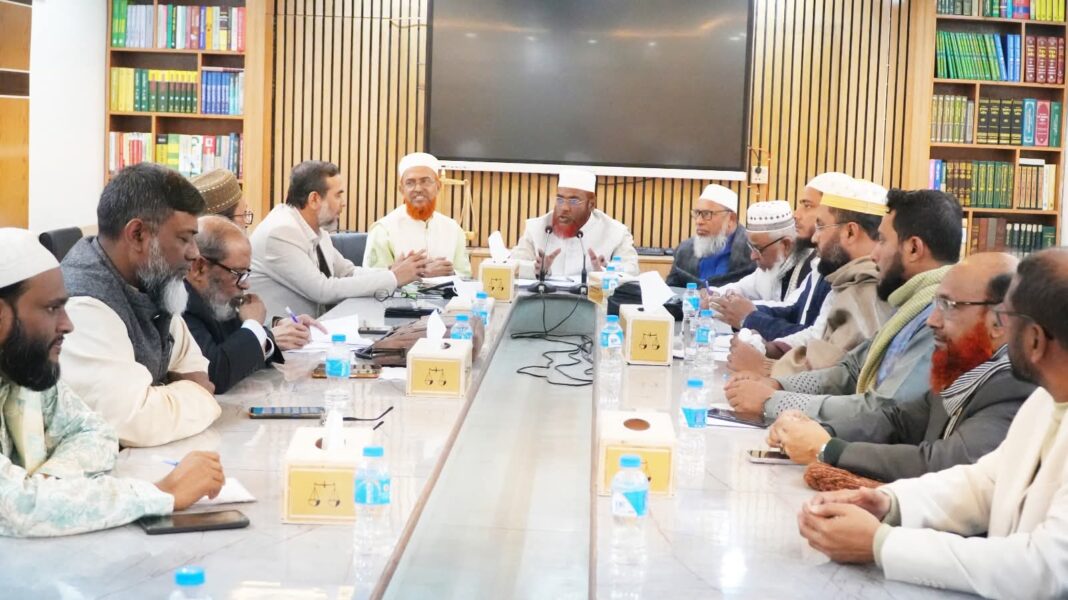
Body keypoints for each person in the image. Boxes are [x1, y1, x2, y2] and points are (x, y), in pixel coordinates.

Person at [796, 248, 1068, 599]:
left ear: (1034, 340)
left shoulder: (1025, 392)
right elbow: (984, 483)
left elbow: (1043, 567)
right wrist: (888, 503)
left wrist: (883, 544)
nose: (1000, 327)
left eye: (1006, 317)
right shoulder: (1044, 401)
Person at [0, 228, 225, 537]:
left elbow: (96, 432)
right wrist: (161, 493)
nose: (67, 324)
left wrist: (52, 483)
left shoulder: (22, 369)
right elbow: (16, 508)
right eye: (52, 309)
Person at [769, 253, 1032, 483]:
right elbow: (896, 421)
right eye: (936, 305)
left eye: (948, 306)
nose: (932, 321)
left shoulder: (1015, 385)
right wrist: (817, 431)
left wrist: (829, 448)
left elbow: (943, 464)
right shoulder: (968, 369)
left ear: (1000, 322)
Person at [725, 188, 963, 424]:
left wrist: (773, 399)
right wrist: (777, 384)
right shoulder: (909, 306)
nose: (874, 254)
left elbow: (885, 411)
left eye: (882, 240)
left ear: (913, 248)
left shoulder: (937, 320)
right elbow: (849, 370)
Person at [59, 163, 221, 448]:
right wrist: (196, 396)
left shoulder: (153, 281)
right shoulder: (82, 306)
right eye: (184, 238)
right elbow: (134, 421)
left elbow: (197, 370)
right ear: (137, 235)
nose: (194, 254)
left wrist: (166, 396)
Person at [727, 180, 892, 376]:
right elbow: (817, 339)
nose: (815, 238)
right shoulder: (846, 279)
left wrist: (765, 366)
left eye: (821, 226)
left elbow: (832, 377)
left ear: (850, 232)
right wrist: (770, 348)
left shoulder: (867, 290)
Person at [248, 160, 425, 318]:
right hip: (281, 339)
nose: (343, 203)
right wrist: (393, 278)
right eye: (338, 195)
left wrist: (391, 271)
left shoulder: (315, 228)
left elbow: (348, 272)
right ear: (314, 199)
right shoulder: (280, 232)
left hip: (312, 330)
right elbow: (322, 290)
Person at [184, 216, 324, 394]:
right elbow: (215, 374)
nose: (245, 284)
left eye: (246, 273)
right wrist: (254, 325)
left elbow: (236, 347)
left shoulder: (216, 296)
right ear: (199, 268)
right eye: (237, 274)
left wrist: (271, 332)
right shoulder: (181, 305)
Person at [711, 172, 853, 341]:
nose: (796, 215)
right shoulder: (820, 265)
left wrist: (749, 319)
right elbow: (792, 309)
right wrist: (731, 306)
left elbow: (815, 338)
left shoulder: (849, 276)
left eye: (807, 206)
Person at [511, 168, 638, 279]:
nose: (564, 208)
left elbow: (632, 271)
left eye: (573, 201)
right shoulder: (536, 228)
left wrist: (607, 272)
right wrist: (536, 269)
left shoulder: (616, 232)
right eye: (560, 199)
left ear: (591, 204)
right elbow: (512, 266)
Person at [363, 152, 472, 278]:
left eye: (425, 181)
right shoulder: (383, 230)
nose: (418, 189)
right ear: (402, 190)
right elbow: (373, 279)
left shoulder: (453, 229)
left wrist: (451, 273)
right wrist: (421, 274)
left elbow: (466, 275)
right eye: (410, 183)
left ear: (438, 186)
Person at [709, 199, 812, 303]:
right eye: (751, 247)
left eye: (758, 249)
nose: (752, 256)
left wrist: (747, 308)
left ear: (786, 245)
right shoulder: (769, 271)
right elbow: (739, 289)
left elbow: (790, 309)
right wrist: (709, 294)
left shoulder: (810, 270)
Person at [665, 184, 755, 288]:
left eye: (707, 214)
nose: (698, 221)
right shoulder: (684, 251)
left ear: (731, 219)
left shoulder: (752, 252)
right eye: (697, 213)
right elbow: (671, 291)